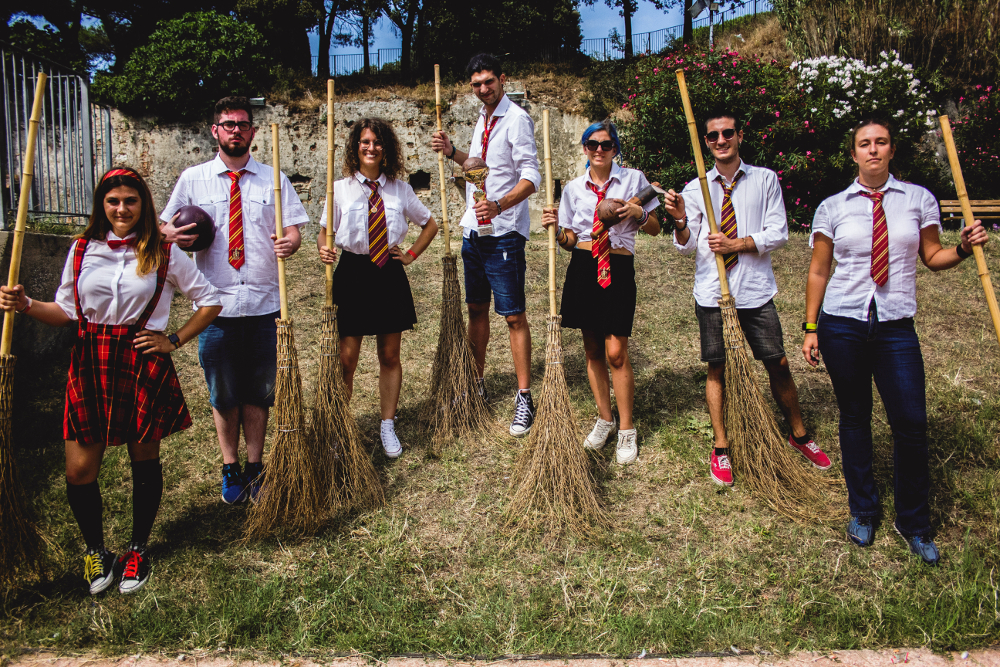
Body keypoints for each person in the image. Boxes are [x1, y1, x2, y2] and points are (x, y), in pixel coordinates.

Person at [0, 167, 221, 594]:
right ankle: (96, 551)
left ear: (144, 206)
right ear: (102, 204)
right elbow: (65, 311)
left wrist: (172, 339)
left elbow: (210, 300)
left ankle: (138, 548)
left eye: (131, 201)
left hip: (140, 361)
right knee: (80, 469)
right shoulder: (82, 249)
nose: (122, 209)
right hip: (89, 360)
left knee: (144, 460)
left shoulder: (162, 251)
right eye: (113, 201)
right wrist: (26, 304)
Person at [802, 118, 988, 565]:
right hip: (842, 323)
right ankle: (863, 508)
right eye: (864, 144)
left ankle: (915, 521)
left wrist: (962, 248)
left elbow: (932, 257)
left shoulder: (918, 200)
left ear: (891, 150)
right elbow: (818, 271)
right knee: (855, 417)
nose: (872, 150)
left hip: (895, 328)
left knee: (911, 422)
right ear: (853, 154)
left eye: (880, 142)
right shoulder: (833, 206)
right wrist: (810, 328)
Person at [663, 107, 831, 487]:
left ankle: (799, 434)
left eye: (727, 133)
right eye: (713, 136)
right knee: (716, 367)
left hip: (754, 292)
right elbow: (685, 247)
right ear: (705, 143)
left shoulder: (765, 180)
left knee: (779, 362)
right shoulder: (696, 188)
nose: (720, 141)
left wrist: (736, 243)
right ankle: (721, 447)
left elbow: (779, 232)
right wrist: (679, 220)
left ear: (739, 136)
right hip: (712, 294)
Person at [160, 96, 310, 505]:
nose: (236, 131)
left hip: (264, 303)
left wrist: (290, 243)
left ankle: (255, 466)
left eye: (243, 124)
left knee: (259, 391)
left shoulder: (273, 178)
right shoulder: (192, 180)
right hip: (215, 307)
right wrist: (172, 236)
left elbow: (295, 229)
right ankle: (230, 467)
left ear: (253, 132)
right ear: (215, 130)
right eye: (228, 124)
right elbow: (162, 228)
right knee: (224, 393)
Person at [430, 53, 541, 438]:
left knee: (513, 315)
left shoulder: (517, 119)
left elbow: (531, 178)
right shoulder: (483, 118)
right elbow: (478, 167)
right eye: (476, 84)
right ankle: (476, 385)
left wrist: (498, 205)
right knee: (476, 309)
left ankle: (524, 396)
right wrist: (453, 153)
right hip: (473, 232)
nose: (483, 89)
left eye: (488, 82)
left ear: (502, 79)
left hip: (505, 231)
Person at [317, 118, 439, 457]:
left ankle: (388, 425)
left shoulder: (399, 189)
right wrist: (323, 247)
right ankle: (339, 429)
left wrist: (411, 253)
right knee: (346, 359)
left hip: (388, 274)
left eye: (378, 142)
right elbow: (325, 231)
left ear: (386, 149)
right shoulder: (339, 188)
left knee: (389, 355)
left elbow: (430, 223)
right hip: (352, 273)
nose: (371, 148)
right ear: (356, 146)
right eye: (365, 141)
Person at [540, 120, 660, 463]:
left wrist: (638, 213)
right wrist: (555, 230)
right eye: (592, 144)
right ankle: (605, 419)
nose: (598, 150)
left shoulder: (635, 181)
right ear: (584, 148)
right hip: (583, 266)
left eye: (606, 145)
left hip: (618, 268)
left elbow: (654, 228)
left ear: (615, 149)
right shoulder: (575, 188)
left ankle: (626, 429)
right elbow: (570, 240)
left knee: (616, 352)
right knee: (592, 349)